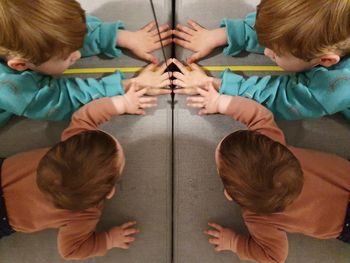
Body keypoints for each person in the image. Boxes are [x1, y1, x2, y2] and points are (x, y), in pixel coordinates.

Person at [184, 82, 350, 263]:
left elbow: (274, 256)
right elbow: (258, 114)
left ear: (229, 194)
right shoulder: (272, 142)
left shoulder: (258, 219)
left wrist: (235, 243)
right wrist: (220, 102)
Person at [0, 83, 157, 260]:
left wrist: (122, 102)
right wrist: (108, 240)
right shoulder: (84, 215)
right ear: (109, 192)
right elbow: (71, 251)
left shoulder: (76, 140)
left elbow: (87, 115)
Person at [0, 0, 172, 126]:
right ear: (20, 65)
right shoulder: (9, 89)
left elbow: (66, 29)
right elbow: (62, 101)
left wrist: (121, 37)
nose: (77, 55)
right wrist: (128, 86)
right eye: (66, 57)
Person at [172, 0, 350, 120]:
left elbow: (282, 99)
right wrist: (223, 35)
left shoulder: (340, 86)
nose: (266, 52)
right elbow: (280, 27)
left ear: (326, 60)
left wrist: (215, 84)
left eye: (277, 53)